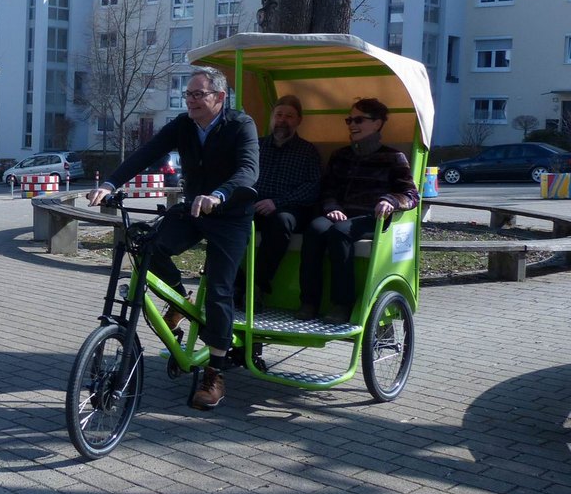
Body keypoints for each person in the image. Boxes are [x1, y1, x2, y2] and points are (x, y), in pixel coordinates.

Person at [87, 66, 258, 410]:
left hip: (229, 215)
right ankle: (180, 300)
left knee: (220, 290)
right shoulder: (183, 125)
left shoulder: (240, 125)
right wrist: (109, 183)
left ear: (219, 97)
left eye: (198, 94)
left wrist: (219, 195)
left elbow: (248, 170)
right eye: (188, 94)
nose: (190, 100)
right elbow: (146, 153)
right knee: (146, 245)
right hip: (193, 209)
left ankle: (214, 373)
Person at [298, 98, 419, 323]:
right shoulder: (341, 155)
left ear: (377, 123)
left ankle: (342, 304)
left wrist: (390, 200)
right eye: (350, 120)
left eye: (359, 120)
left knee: (340, 232)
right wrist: (332, 206)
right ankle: (309, 302)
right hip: (340, 214)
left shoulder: (393, 157)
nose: (352, 124)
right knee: (315, 229)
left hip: (372, 217)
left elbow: (411, 194)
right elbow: (328, 188)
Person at [244, 95, 321, 305]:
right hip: (254, 204)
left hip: (289, 208)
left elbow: (312, 188)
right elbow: (243, 175)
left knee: (281, 221)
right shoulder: (256, 146)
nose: (282, 120)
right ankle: (233, 283)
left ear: (298, 121)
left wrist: (277, 203)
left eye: (289, 116)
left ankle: (258, 286)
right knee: (229, 220)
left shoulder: (307, 151)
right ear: (272, 118)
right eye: (279, 115)